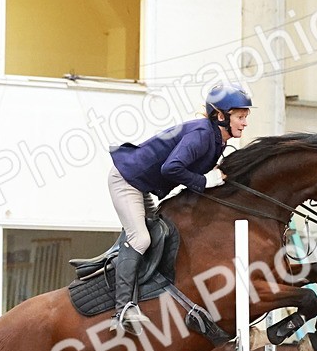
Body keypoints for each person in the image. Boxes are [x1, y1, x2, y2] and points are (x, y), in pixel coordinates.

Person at [107, 83, 252, 334]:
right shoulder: (202, 135)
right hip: (126, 179)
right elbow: (171, 168)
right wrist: (205, 181)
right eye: (240, 117)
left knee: (159, 232)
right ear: (221, 116)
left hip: (141, 183)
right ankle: (123, 310)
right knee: (140, 238)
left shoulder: (217, 140)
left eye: (245, 117)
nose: (244, 123)